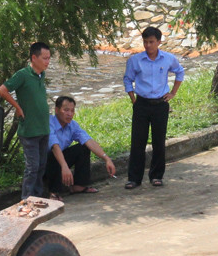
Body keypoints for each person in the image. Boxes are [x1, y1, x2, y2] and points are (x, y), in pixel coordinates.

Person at [123, 26, 185, 189]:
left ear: (158, 42)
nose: (148, 45)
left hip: (160, 104)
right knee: (138, 141)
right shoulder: (135, 60)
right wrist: (132, 98)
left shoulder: (168, 59)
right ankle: (134, 178)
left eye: (151, 42)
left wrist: (173, 93)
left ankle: (157, 176)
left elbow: (180, 72)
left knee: (159, 140)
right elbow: (128, 79)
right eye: (145, 42)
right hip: (141, 104)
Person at [0, 41, 52, 200]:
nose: (47, 61)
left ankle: (38, 197)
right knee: (32, 167)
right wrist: (18, 107)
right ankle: (26, 200)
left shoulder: (41, 75)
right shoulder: (23, 74)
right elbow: (2, 90)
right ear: (34, 58)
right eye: (45, 58)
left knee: (41, 166)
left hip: (43, 128)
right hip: (29, 130)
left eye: (49, 58)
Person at [46, 95, 117, 199]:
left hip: (60, 159)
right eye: (66, 110)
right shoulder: (49, 122)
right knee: (54, 155)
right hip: (45, 163)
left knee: (83, 148)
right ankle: (54, 191)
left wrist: (106, 159)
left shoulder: (72, 125)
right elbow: (54, 146)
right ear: (57, 110)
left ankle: (78, 186)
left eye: (72, 111)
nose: (69, 114)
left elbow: (88, 140)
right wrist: (65, 166)